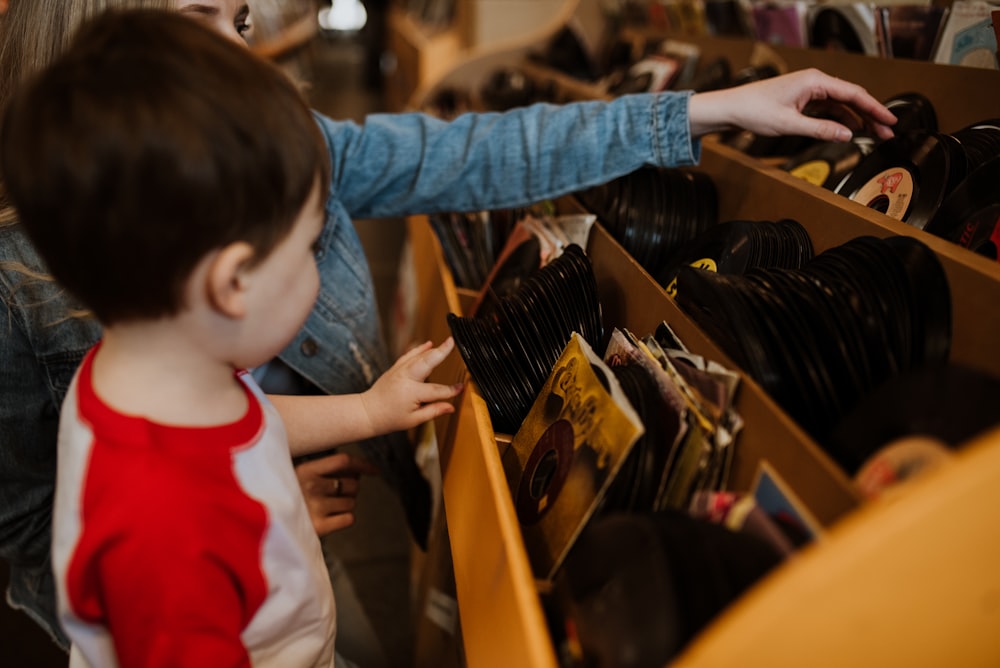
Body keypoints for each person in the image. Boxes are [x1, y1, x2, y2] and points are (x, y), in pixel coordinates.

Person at [0, 0, 898, 659]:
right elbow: (53, 530)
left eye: (244, 20)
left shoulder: (148, 349)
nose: (249, 53)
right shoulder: (151, 512)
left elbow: (470, 153)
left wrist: (703, 110)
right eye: (207, 19)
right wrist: (227, 530)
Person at [1, 9, 462, 666]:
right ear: (232, 283)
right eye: (309, 248)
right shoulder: (164, 534)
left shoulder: (150, 367)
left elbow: (238, 421)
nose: (319, 267)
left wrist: (364, 412)